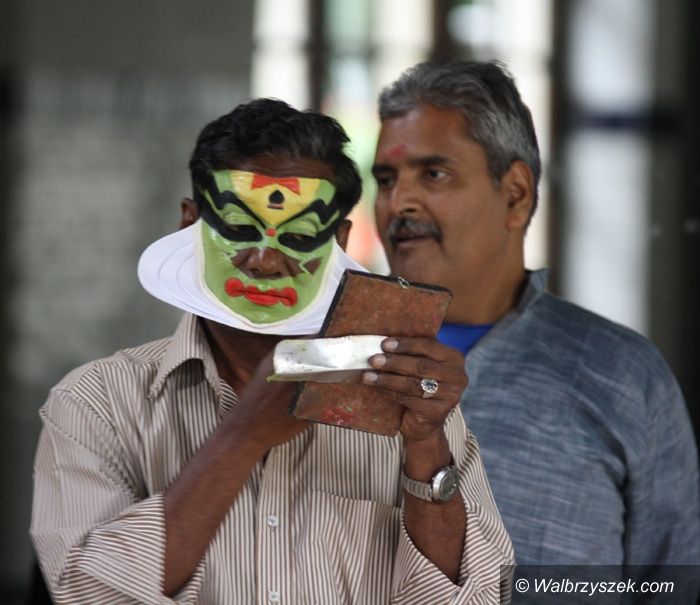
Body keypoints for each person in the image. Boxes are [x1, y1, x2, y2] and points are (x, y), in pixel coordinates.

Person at [30, 98, 514, 603]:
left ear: (340, 241)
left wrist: (426, 445)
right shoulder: (96, 403)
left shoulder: (404, 395)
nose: (264, 261)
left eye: (300, 237)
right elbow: (87, 594)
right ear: (189, 224)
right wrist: (242, 437)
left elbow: (481, 597)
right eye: (239, 230)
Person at [372, 60, 700, 600]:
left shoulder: (622, 377)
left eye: (433, 174)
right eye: (386, 180)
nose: (398, 202)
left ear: (516, 194)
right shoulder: (336, 361)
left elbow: (669, 584)